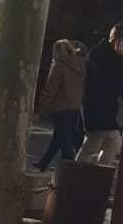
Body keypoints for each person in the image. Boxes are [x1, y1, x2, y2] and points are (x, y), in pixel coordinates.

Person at [80, 23, 123, 166]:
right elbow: (109, 79)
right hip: (97, 106)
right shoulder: (98, 53)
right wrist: (120, 59)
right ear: (115, 38)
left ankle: (77, 172)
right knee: (113, 142)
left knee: (92, 143)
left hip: (109, 107)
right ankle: (100, 172)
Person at [33, 39, 87, 171]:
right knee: (60, 137)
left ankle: (67, 171)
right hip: (75, 107)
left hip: (59, 107)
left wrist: (40, 112)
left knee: (65, 143)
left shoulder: (58, 67)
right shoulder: (81, 66)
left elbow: (50, 91)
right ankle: (44, 162)